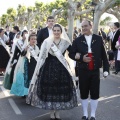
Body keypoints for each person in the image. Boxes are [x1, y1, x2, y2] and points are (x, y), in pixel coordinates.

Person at [26, 24, 77, 120]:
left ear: (61, 32)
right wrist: (38, 69)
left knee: (59, 90)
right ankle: (51, 112)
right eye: (55, 30)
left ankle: (57, 112)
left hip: (62, 69)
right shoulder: (47, 42)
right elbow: (42, 56)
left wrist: (78, 56)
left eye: (58, 30)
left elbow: (72, 54)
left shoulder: (65, 42)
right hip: (48, 68)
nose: (56, 32)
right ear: (52, 31)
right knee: (50, 90)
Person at [69, 20, 109, 120]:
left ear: (91, 26)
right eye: (82, 27)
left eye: (86, 26)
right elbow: (71, 54)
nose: (84, 28)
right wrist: (81, 58)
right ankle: (85, 114)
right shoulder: (77, 40)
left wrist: (106, 69)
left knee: (95, 93)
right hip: (82, 70)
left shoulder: (98, 39)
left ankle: (93, 115)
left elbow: (104, 56)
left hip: (95, 70)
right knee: (83, 92)